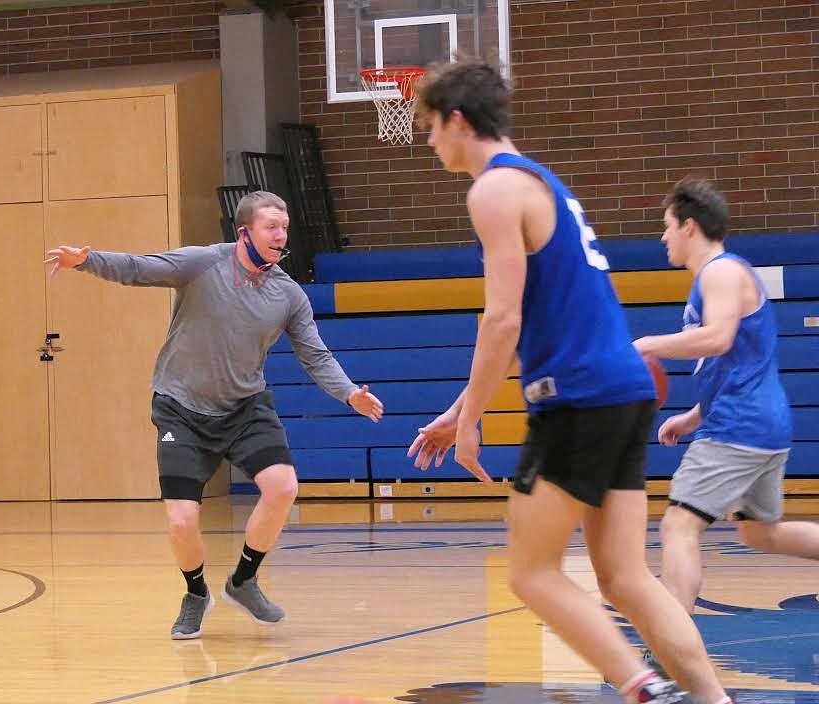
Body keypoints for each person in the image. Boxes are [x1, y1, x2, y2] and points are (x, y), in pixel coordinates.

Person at [405, 57, 732, 704]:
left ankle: (643, 689)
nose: (428, 139)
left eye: (431, 125)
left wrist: (471, 421)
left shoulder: (493, 190)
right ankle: (714, 702)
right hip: (624, 390)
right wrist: (460, 405)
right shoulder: (543, 182)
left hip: (578, 398)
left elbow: (501, 319)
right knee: (625, 576)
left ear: (458, 120)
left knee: (530, 573)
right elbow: (534, 314)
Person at [45, 191, 384, 640]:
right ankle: (195, 593)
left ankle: (243, 581)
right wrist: (86, 261)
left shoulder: (288, 294)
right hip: (181, 408)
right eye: (271, 227)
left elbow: (315, 356)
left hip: (245, 407)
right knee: (183, 519)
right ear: (244, 232)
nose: (281, 235)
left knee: (282, 487)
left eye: (284, 227)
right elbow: (139, 268)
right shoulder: (203, 263)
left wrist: (348, 394)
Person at [633, 178, 819, 644]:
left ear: (689, 226)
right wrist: (693, 416)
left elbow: (717, 338)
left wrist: (647, 345)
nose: (663, 237)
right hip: (762, 425)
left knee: (679, 524)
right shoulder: (722, 276)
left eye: (667, 226)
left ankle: (674, 644)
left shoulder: (719, 272)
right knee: (761, 534)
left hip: (740, 427)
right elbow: (733, 360)